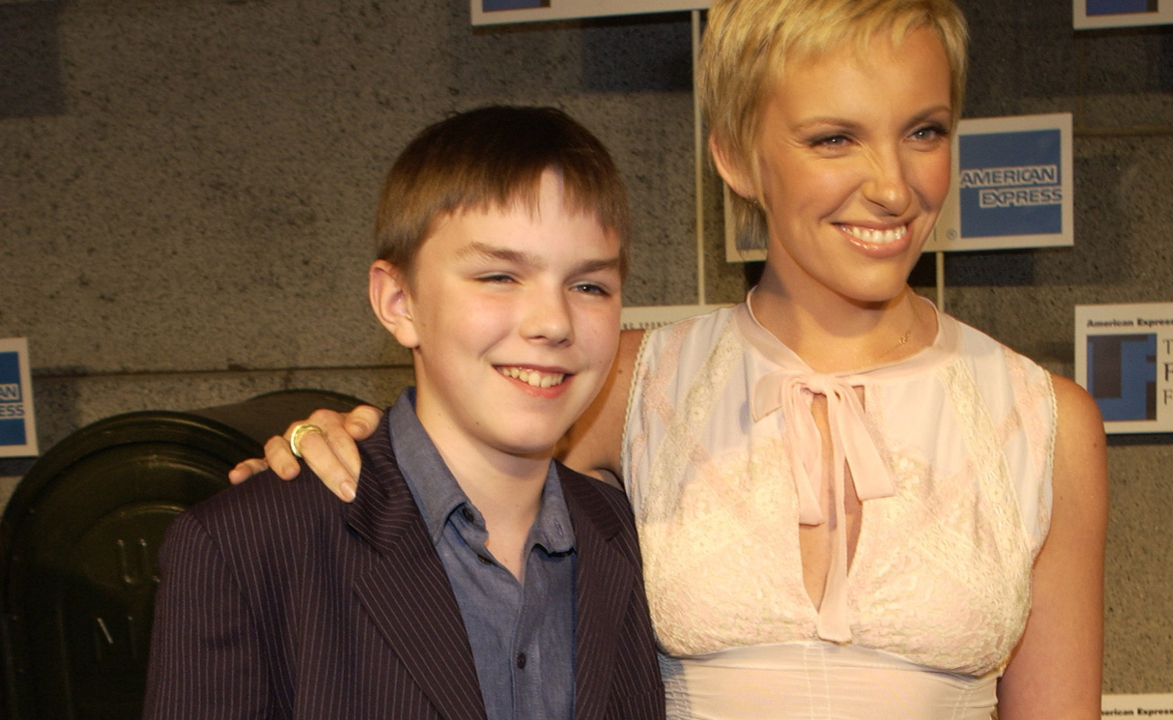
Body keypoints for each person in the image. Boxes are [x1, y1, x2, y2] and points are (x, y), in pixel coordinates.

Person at [236, 0, 1109, 717]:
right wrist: (344, 441)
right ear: (735, 155)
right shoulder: (624, 381)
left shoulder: (1044, 420)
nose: (893, 184)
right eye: (833, 139)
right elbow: (440, 506)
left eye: (924, 131)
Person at [145, 106, 665, 720]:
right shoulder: (247, 546)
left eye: (589, 286)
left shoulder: (623, 533)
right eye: (499, 276)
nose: (552, 322)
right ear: (399, 302)